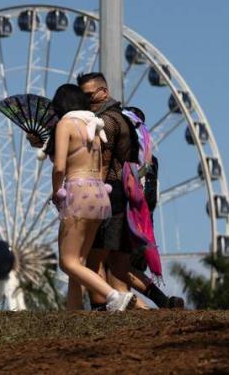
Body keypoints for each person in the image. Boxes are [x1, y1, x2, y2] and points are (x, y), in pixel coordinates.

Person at [76, 73, 183, 310]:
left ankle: (100, 309)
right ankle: (164, 302)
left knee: (94, 258)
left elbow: (102, 162)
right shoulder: (128, 122)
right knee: (120, 266)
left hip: (110, 195)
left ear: (103, 92)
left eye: (89, 95)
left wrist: (93, 192)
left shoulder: (108, 121)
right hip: (131, 202)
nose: (85, 101)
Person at [48, 83, 135, 311]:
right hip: (99, 193)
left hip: (78, 191)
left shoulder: (66, 124)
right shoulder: (94, 126)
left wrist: (57, 192)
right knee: (79, 262)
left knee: (67, 261)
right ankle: (74, 312)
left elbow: (59, 167)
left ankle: (114, 295)